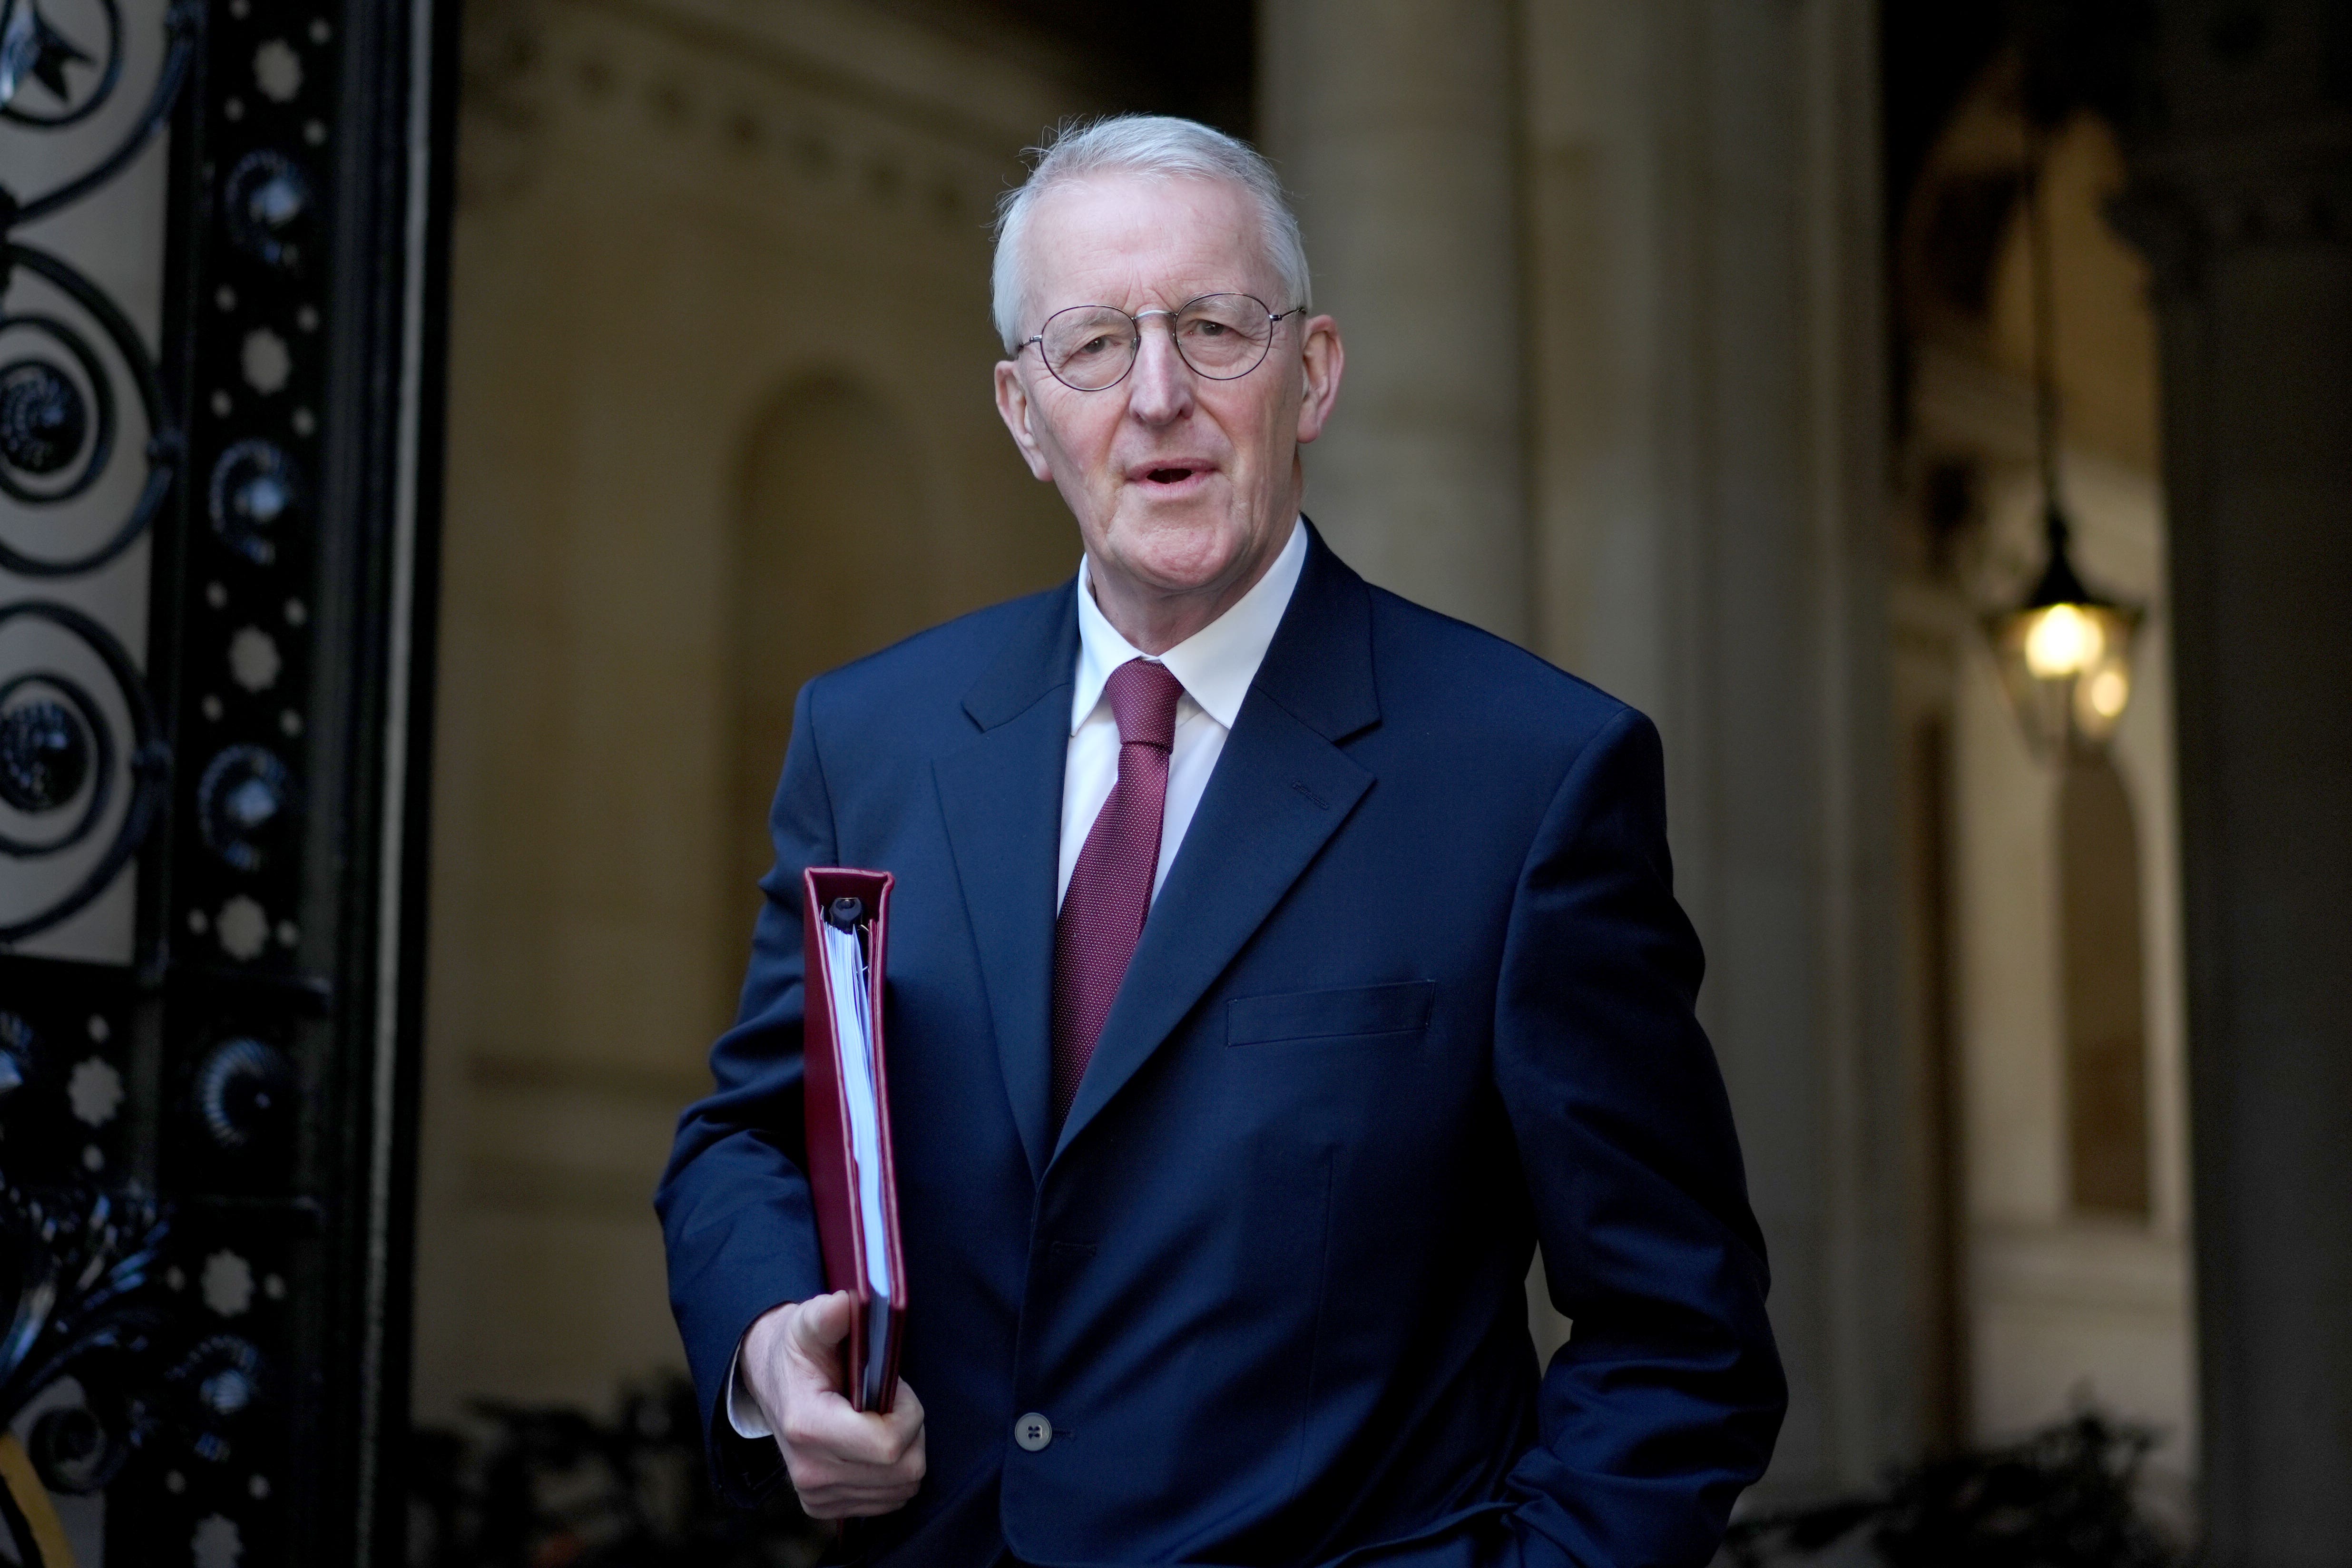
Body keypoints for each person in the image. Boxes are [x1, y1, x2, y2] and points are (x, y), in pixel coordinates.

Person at [657, 114, 1784, 1567]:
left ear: (1310, 373)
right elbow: (751, 1135)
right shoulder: (873, 739)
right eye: (1093, 346)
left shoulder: (1532, 777)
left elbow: (1680, 1336)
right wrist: (768, 1357)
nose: (1158, 396)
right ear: (1020, 411)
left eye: (1213, 328)